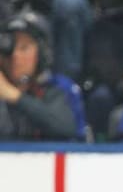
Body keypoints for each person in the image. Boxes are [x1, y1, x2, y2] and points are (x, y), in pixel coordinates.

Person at [0, 10, 86, 141]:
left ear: (42, 53)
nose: (15, 56)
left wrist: (15, 96)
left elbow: (65, 128)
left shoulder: (58, 87)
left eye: (24, 48)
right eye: (8, 48)